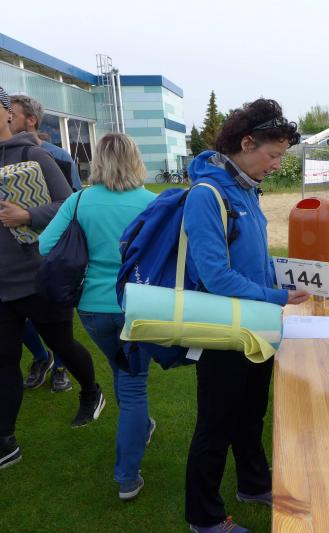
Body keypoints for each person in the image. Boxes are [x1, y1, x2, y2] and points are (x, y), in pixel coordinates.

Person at [183, 98, 309, 533]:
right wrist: (276, 296)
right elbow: (216, 276)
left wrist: (297, 274)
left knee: (251, 414)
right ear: (247, 143)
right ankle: (204, 518)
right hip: (223, 328)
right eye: (272, 155)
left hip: (257, 324)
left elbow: (252, 260)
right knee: (215, 426)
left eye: (281, 156)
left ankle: (253, 484)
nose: (276, 165)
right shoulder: (207, 194)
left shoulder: (248, 188)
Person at [39, 133, 156, 500]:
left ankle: (140, 427)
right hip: (139, 303)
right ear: (135, 160)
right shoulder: (152, 203)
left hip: (93, 307)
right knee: (133, 384)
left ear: (99, 161)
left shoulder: (79, 201)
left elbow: (45, 245)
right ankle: (127, 477)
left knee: (122, 371)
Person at [0, 85, 104, 470]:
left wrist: (28, 215)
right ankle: (5, 439)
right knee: (4, 358)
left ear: (7, 112)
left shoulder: (34, 154)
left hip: (38, 276)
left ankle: (91, 391)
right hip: (1, 283)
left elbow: (68, 203)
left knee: (62, 344)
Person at [9, 95, 78, 392]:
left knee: (55, 319)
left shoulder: (56, 157)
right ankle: (41, 357)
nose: (7, 118)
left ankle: (61, 367)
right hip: (11, 259)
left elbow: (73, 203)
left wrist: (28, 215)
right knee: (16, 316)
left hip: (52, 254)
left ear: (31, 120)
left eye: (12, 114)